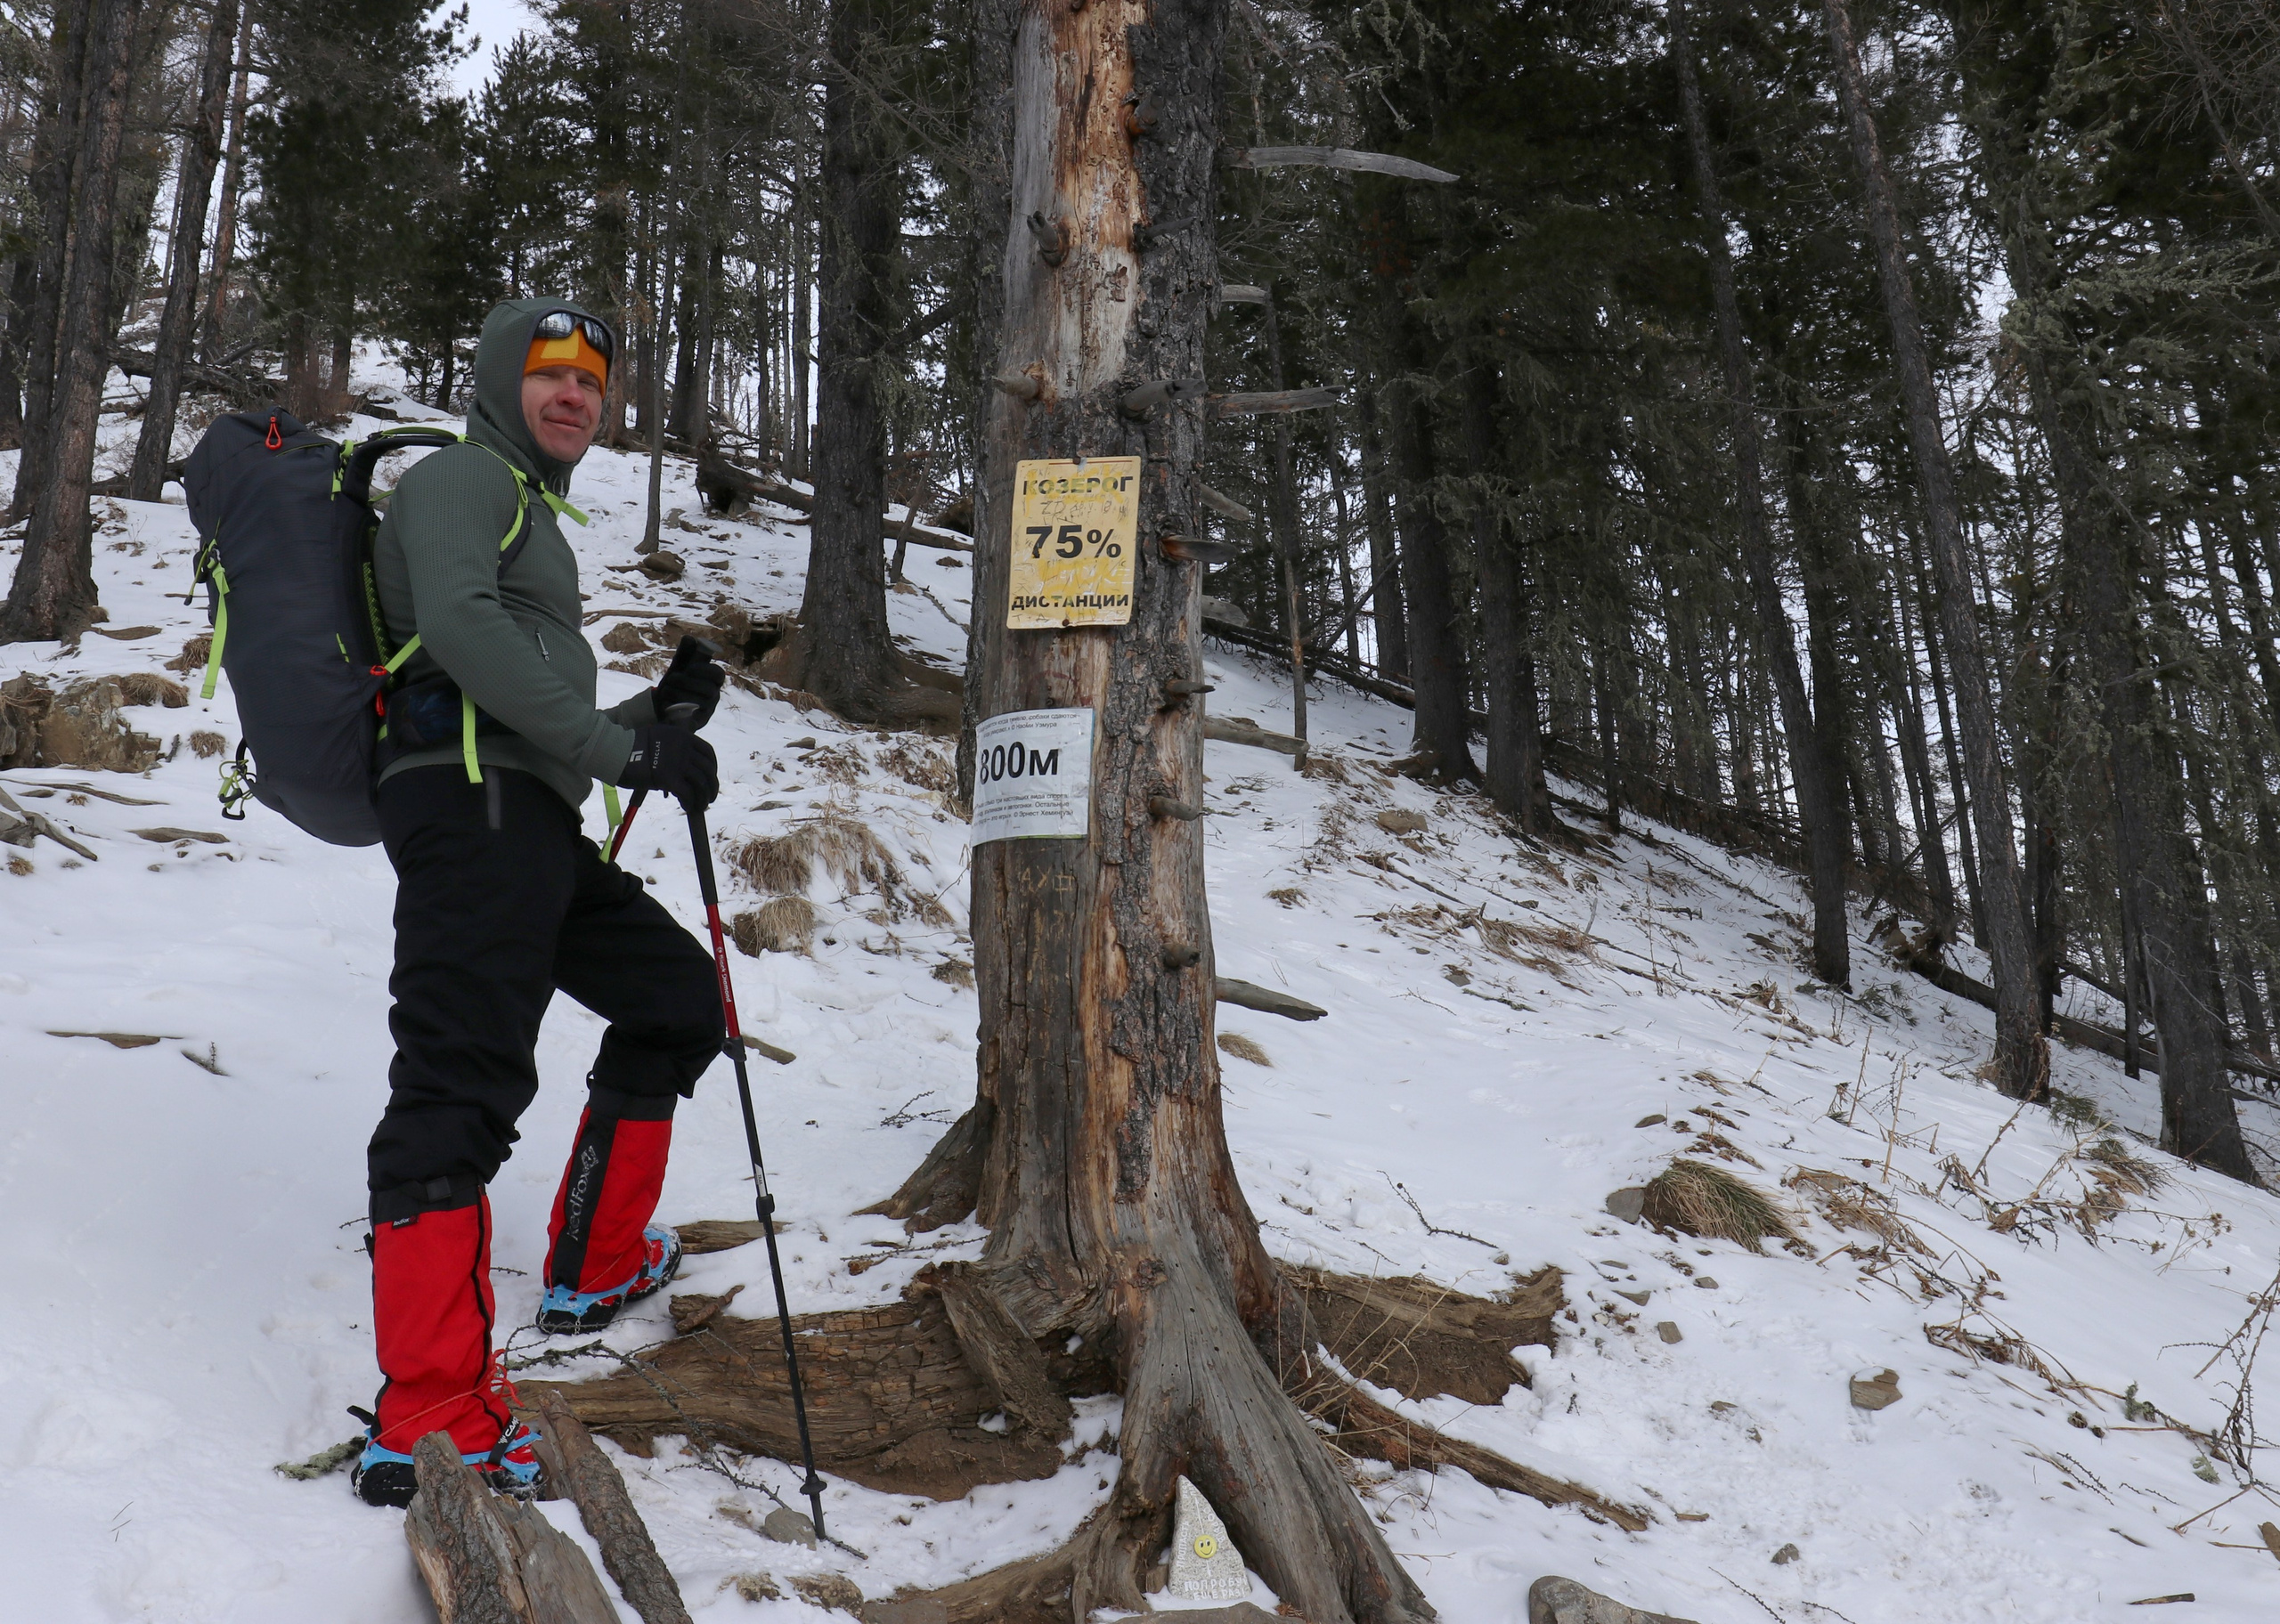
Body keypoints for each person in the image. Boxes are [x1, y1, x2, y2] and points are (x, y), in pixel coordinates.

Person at [348, 300, 729, 1509]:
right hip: (470, 815)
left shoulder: (522, 505)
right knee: (458, 1081)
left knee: (675, 998)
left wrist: (647, 726)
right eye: (550, 372)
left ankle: (593, 1266)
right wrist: (619, 755)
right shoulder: (464, 478)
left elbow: (535, 722)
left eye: (593, 382)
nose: (574, 394)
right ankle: (429, 1414)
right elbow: (458, 632)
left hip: (524, 815)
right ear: (503, 377)